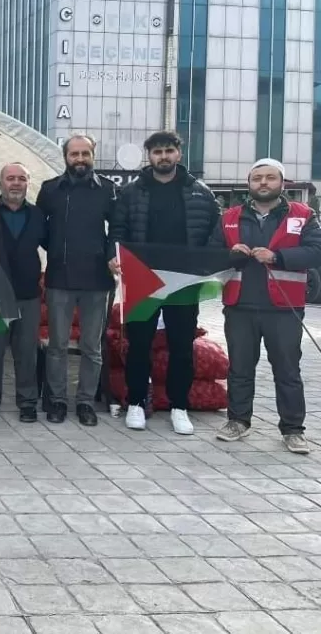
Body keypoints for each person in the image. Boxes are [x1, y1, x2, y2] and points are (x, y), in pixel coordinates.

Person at [109, 131, 220, 434]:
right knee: (139, 344)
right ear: (149, 157)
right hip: (142, 280)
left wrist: (207, 264)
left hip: (184, 281)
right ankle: (136, 403)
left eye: (168, 151)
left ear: (178, 154)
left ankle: (179, 406)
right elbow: (117, 230)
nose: (163, 157)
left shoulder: (201, 192)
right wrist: (113, 256)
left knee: (182, 346)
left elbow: (216, 233)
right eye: (157, 152)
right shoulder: (131, 192)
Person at [211, 158, 321, 454]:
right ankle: (238, 421)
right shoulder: (229, 217)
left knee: (287, 370)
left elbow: (316, 251)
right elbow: (211, 253)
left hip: (284, 308)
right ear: (248, 183)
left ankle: (293, 429)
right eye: (257, 178)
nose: (263, 182)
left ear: (282, 183)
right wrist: (229, 253)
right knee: (240, 368)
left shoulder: (304, 215)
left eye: (270, 177)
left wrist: (277, 257)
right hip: (240, 305)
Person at [36, 133, 116, 426]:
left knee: (91, 347)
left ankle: (85, 402)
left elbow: (117, 230)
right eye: (74, 154)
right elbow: (40, 228)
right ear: (66, 157)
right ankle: (57, 400)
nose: (80, 159)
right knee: (57, 345)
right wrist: (57, 251)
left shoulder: (108, 190)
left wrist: (109, 255)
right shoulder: (50, 190)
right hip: (60, 278)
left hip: (98, 280)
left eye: (85, 153)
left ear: (93, 155)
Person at [0, 163, 46, 424]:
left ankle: (27, 402)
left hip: (28, 294)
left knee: (26, 352)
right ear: (0, 182)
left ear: (28, 183)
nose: (16, 183)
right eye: (10, 178)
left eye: (21, 179)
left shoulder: (38, 215)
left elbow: (53, 246)